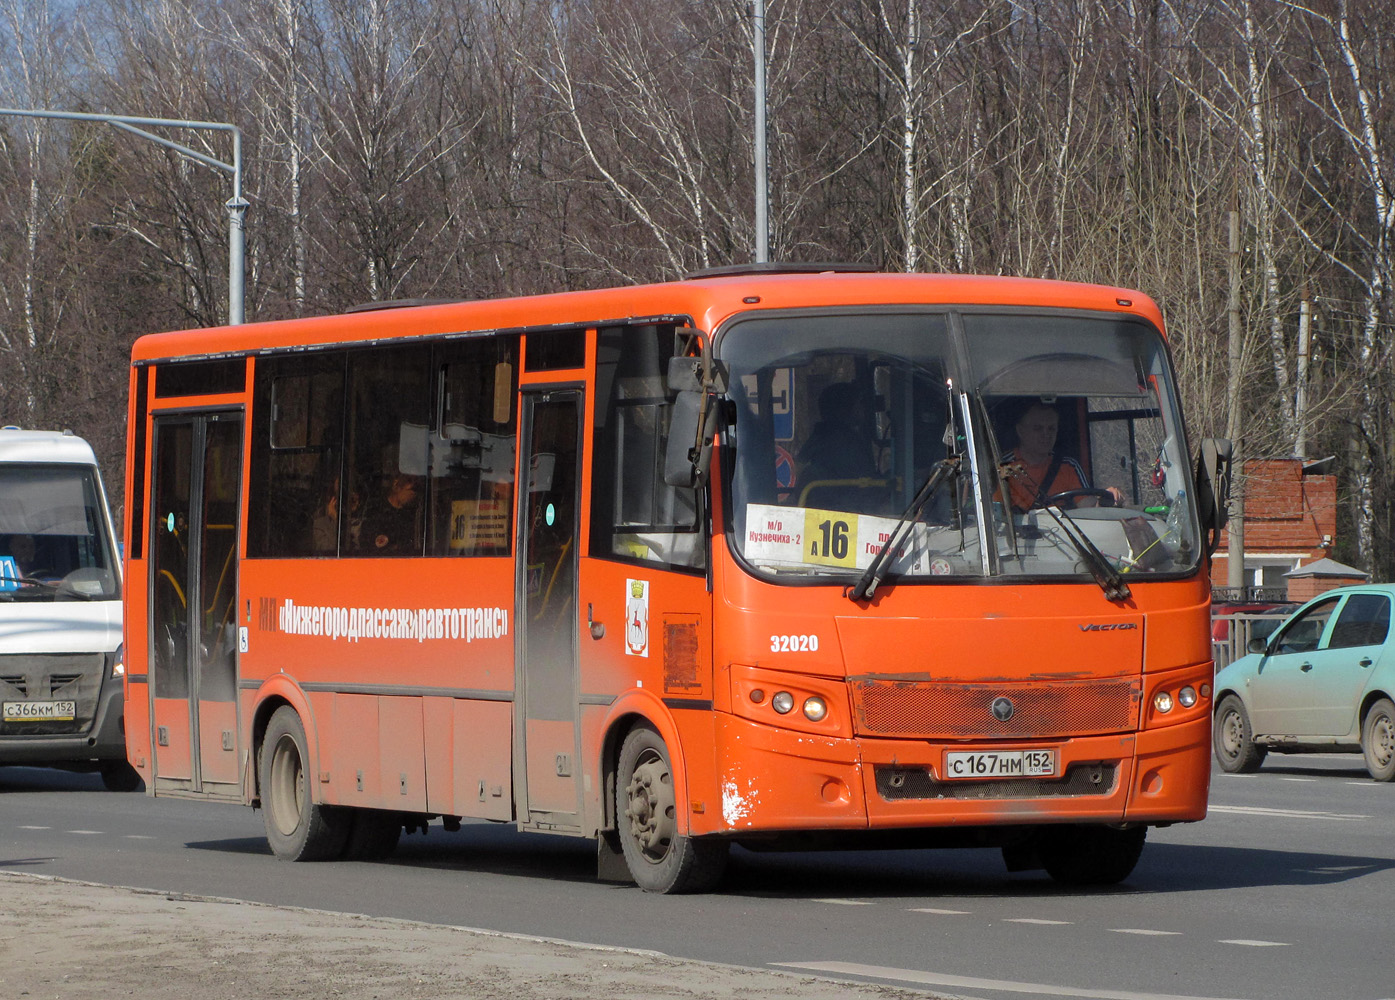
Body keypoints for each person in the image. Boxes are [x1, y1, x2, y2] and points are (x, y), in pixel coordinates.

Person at [1000, 400, 1119, 512]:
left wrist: (1108, 500)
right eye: (1038, 428)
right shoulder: (1003, 468)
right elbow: (995, 516)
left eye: (1051, 429)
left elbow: (1090, 510)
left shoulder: (1068, 466)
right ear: (1021, 431)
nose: (1046, 435)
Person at [361, 473, 422, 553]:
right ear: (396, 485)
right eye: (413, 489)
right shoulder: (376, 510)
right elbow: (367, 544)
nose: (414, 494)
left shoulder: (414, 515)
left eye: (417, 489)